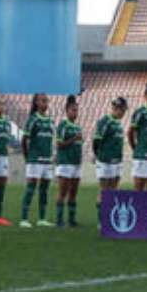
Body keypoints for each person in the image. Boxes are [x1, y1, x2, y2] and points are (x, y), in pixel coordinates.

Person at [19, 93, 56, 227]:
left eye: (47, 101)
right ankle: (24, 219)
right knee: (31, 188)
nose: (45, 103)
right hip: (35, 159)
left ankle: (42, 219)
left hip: (47, 160)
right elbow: (24, 140)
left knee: (44, 189)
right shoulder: (33, 119)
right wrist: (27, 157)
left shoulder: (50, 120)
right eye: (43, 101)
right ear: (36, 103)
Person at [93, 97, 127, 223]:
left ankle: (110, 219)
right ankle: (101, 221)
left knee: (114, 190)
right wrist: (99, 156)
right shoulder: (105, 121)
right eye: (122, 110)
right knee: (104, 190)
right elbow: (97, 140)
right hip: (105, 160)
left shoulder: (118, 124)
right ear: (116, 108)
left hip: (117, 161)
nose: (123, 113)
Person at [54, 95, 84, 227]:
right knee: (62, 192)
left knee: (73, 192)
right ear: (67, 111)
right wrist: (74, 139)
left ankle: (72, 219)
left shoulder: (78, 127)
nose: (75, 113)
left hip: (76, 164)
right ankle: (59, 220)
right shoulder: (63, 125)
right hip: (65, 163)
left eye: (77, 110)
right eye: (73, 110)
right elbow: (59, 144)